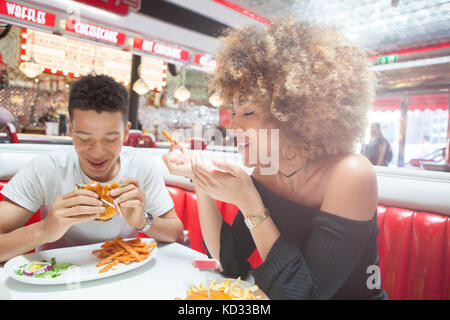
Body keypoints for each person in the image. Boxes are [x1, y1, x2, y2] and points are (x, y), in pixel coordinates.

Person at [163, 17, 387, 300]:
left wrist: (249, 202)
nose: (232, 126)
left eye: (247, 113)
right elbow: (229, 263)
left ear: (294, 115)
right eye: (233, 112)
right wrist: (199, 177)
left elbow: (306, 296)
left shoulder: (351, 174)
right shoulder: (265, 169)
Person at [0, 75, 183, 262]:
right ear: (71, 129)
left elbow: (176, 234)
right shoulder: (48, 168)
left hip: (121, 273)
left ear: (126, 132)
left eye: (110, 139)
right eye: (84, 138)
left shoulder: (140, 166)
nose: (97, 153)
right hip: (56, 278)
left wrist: (143, 221)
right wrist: (45, 230)